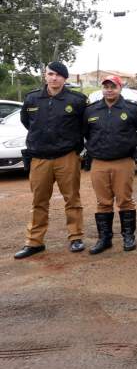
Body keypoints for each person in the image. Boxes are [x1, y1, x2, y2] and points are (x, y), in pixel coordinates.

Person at [14, 62, 88, 259]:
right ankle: (35, 242)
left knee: (72, 199)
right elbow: (27, 122)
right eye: (50, 74)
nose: (54, 78)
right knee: (39, 201)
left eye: (58, 75)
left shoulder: (77, 100)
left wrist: (75, 148)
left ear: (65, 78)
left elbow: (85, 127)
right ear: (45, 76)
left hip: (67, 157)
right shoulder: (32, 98)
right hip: (39, 158)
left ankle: (76, 237)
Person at [83, 75, 137, 254]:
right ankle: (105, 238)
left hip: (123, 161)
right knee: (103, 202)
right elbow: (86, 133)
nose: (109, 89)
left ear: (120, 88)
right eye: (106, 86)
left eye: (113, 86)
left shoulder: (132, 109)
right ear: (102, 88)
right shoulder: (91, 110)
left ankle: (128, 236)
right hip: (99, 162)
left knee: (125, 200)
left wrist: (130, 144)